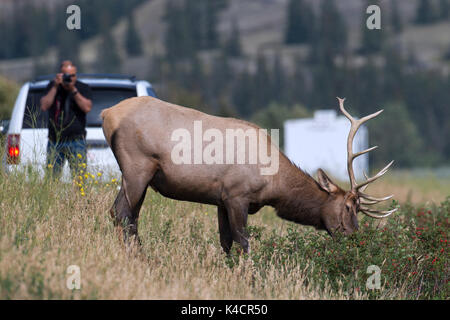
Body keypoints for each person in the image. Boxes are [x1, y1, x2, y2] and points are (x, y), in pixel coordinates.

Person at [40, 60, 92, 178]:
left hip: (76, 140)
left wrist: (73, 90)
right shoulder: (53, 87)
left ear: (76, 74)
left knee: (80, 179)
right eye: (66, 75)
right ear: (60, 75)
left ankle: (79, 197)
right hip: (55, 141)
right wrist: (54, 86)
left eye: (72, 75)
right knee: (51, 180)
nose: (70, 78)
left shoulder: (82, 88)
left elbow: (87, 107)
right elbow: (44, 106)